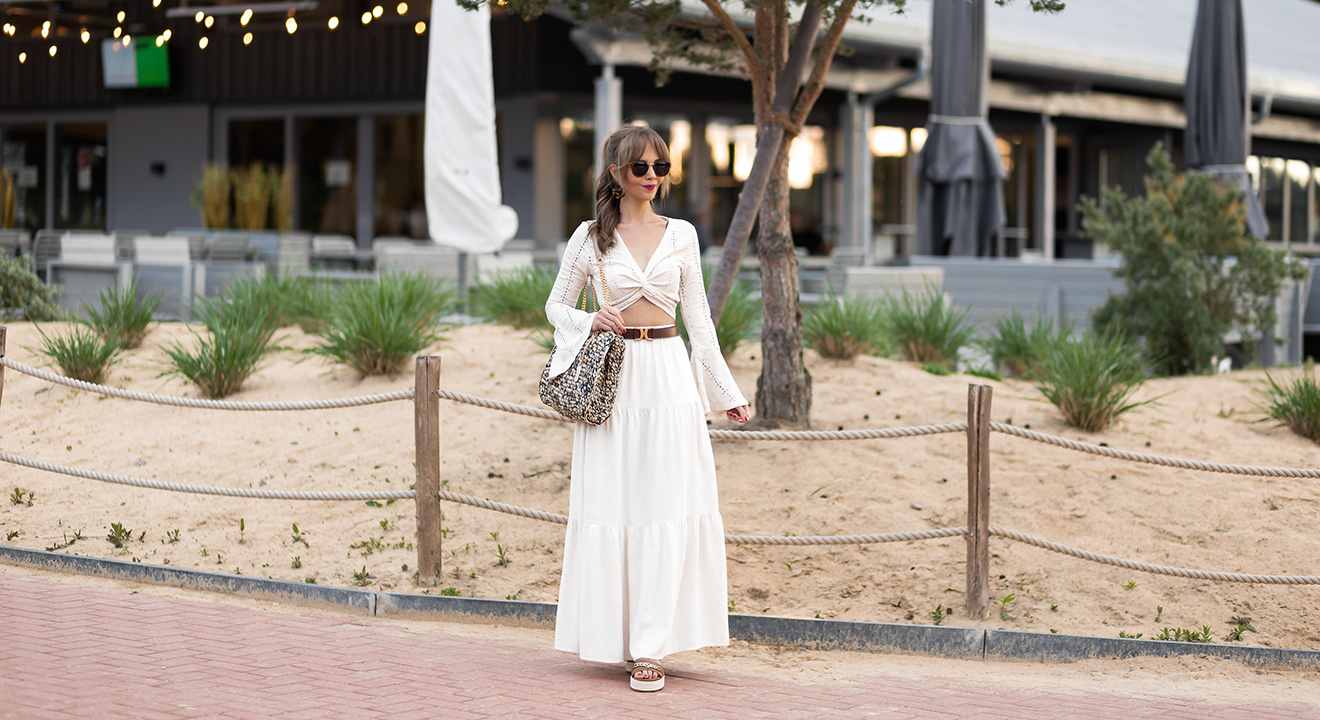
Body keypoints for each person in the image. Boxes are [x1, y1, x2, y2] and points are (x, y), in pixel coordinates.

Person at [543, 125, 752, 692]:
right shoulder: (589, 238)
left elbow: (700, 322)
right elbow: (555, 305)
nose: (654, 178)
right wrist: (591, 319)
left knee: (665, 506)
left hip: (668, 378)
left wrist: (726, 394)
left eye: (662, 167)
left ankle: (651, 649)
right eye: (642, 168)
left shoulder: (681, 235)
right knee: (615, 505)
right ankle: (618, 638)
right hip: (614, 383)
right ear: (616, 173)